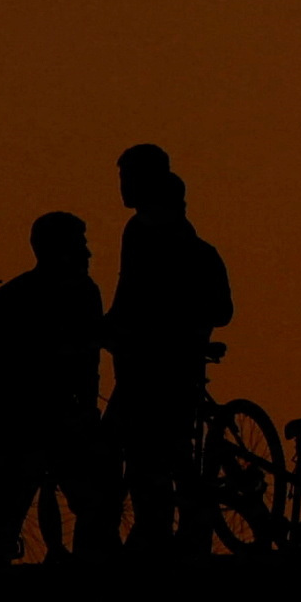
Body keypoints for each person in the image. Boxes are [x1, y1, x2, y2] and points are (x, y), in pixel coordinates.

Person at [0, 210, 109, 562]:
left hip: (36, 417)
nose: (88, 254)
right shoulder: (34, 297)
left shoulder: (17, 297)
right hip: (20, 419)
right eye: (80, 245)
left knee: (11, 517)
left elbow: (89, 359)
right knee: (11, 516)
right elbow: (88, 359)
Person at [104, 144, 233, 554]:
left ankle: (158, 530)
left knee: (147, 446)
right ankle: (167, 529)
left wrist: (117, 326)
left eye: (127, 178)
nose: (123, 187)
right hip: (147, 358)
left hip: (161, 361)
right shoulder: (148, 229)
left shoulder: (156, 234)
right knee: (156, 447)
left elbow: (137, 292)